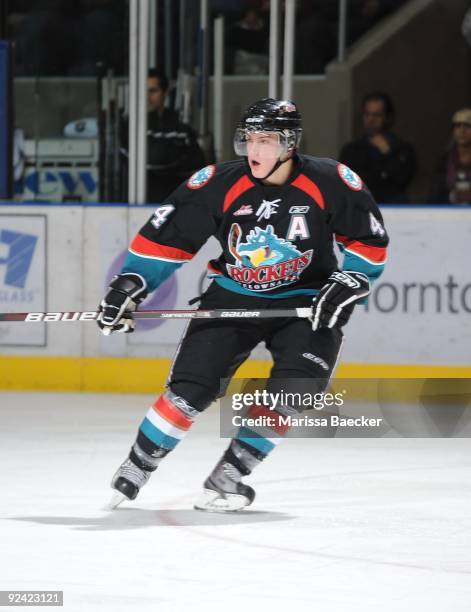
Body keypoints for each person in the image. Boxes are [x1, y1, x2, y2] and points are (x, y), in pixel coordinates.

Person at [98, 98, 389, 512]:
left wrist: (354, 278)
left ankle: (230, 474)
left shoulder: (332, 181)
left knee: (298, 388)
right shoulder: (218, 182)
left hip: (308, 302)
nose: (254, 151)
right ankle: (138, 464)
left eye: (266, 140)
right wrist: (131, 283)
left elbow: (368, 241)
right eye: (249, 139)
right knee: (190, 389)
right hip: (233, 295)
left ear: (289, 143)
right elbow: (166, 241)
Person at [120, 68, 206, 203]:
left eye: (153, 91)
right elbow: (153, 160)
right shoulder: (129, 126)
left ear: (165, 93)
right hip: (135, 202)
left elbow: (198, 170)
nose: (147, 97)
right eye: (143, 91)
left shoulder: (180, 127)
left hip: (175, 204)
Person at [340, 92, 416, 203]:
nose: (371, 120)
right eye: (367, 114)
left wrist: (387, 151)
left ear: (387, 118)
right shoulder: (351, 150)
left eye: (376, 115)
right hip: (361, 207)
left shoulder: (402, 149)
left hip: (395, 208)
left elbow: (403, 177)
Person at [429, 108, 471, 205]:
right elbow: (435, 195)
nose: (462, 131)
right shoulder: (444, 161)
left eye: (468, 126)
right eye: (458, 126)